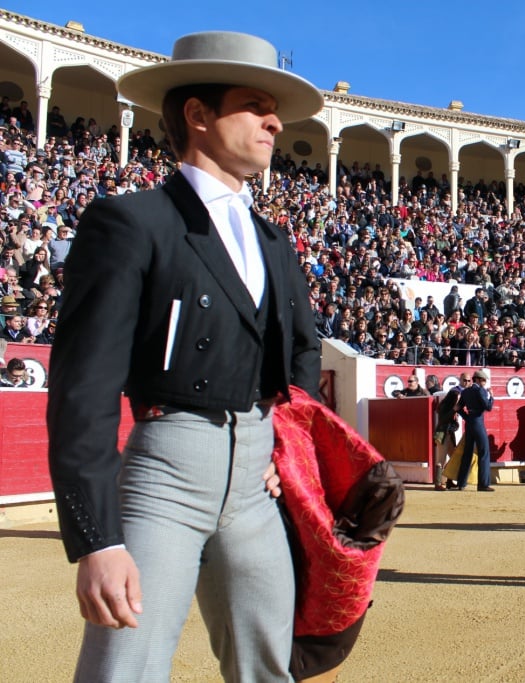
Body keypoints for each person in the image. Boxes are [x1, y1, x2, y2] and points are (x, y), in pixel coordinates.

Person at [46, 31, 323, 683]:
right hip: (167, 472)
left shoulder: (276, 242)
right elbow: (83, 387)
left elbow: (302, 354)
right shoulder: (132, 222)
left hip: (256, 482)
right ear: (198, 115)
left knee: (268, 669)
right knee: (124, 668)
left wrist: (285, 447)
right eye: (255, 105)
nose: (275, 120)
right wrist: (98, 537)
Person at [456, 368, 495, 491]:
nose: (484, 382)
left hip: (470, 423)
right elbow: (488, 407)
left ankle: (461, 483)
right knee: (484, 452)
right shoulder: (481, 391)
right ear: (477, 380)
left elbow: (457, 407)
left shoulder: (466, 392)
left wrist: (467, 418)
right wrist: (491, 397)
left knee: (467, 453)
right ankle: (483, 484)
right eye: (483, 380)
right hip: (478, 422)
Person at [434, 372, 469, 490]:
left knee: (453, 457)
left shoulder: (452, 406)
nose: (459, 402)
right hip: (442, 433)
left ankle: (449, 481)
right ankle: (438, 483)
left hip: (448, 433)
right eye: (457, 399)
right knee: (441, 459)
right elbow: (443, 419)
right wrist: (453, 410)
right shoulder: (446, 407)